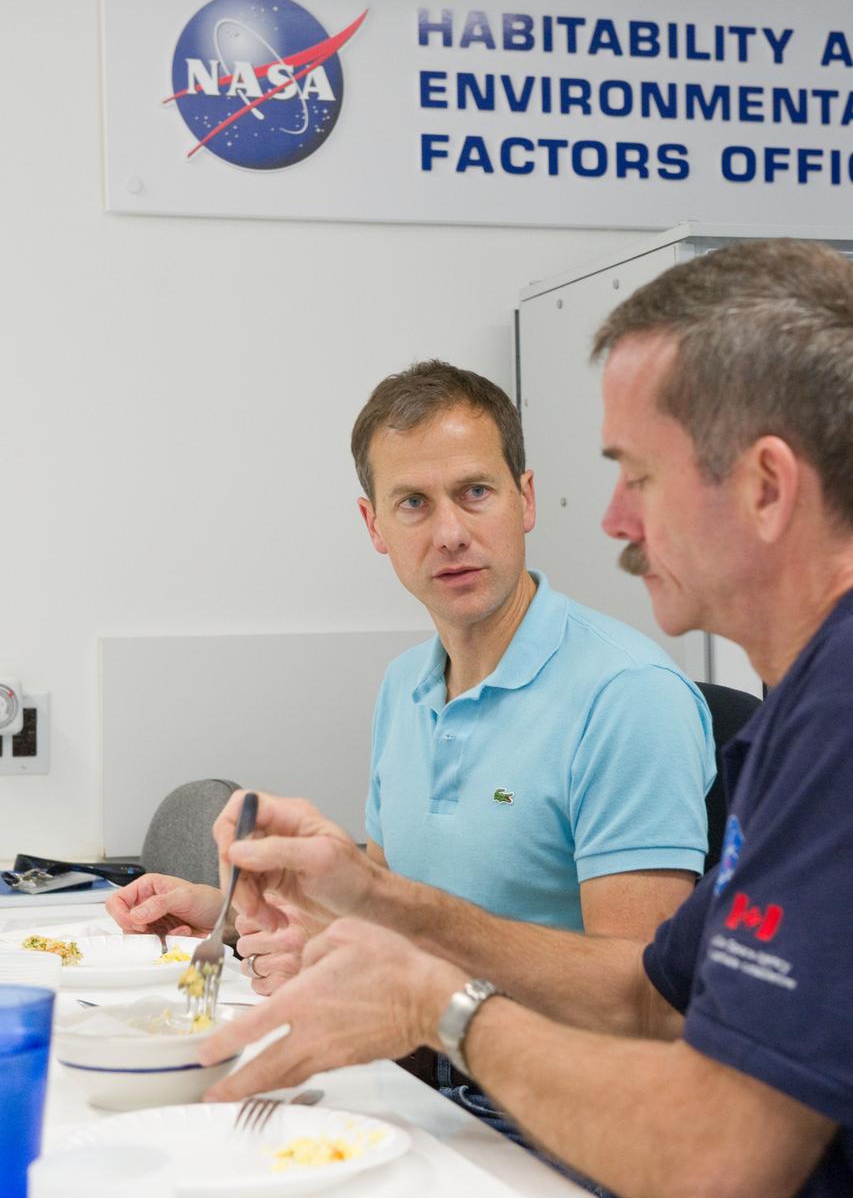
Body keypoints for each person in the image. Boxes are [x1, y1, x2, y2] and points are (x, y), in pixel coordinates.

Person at [196, 240, 853, 1197]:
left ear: (763, 486)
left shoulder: (832, 724)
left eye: (640, 475)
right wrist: (370, 899)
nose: (615, 520)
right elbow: (650, 996)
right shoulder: (798, 715)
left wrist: (436, 1004)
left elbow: (716, 1155)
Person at [109, 364, 714, 998]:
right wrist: (233, 917)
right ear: (375, 526)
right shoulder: (406, 684)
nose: (450, 534)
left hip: (520, 1090)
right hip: (414, 1056)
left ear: (526, 499)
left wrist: (386, 975)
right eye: (414, 504)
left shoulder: (629, 696)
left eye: (476, 491)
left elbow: (637, 999)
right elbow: (383, 911)